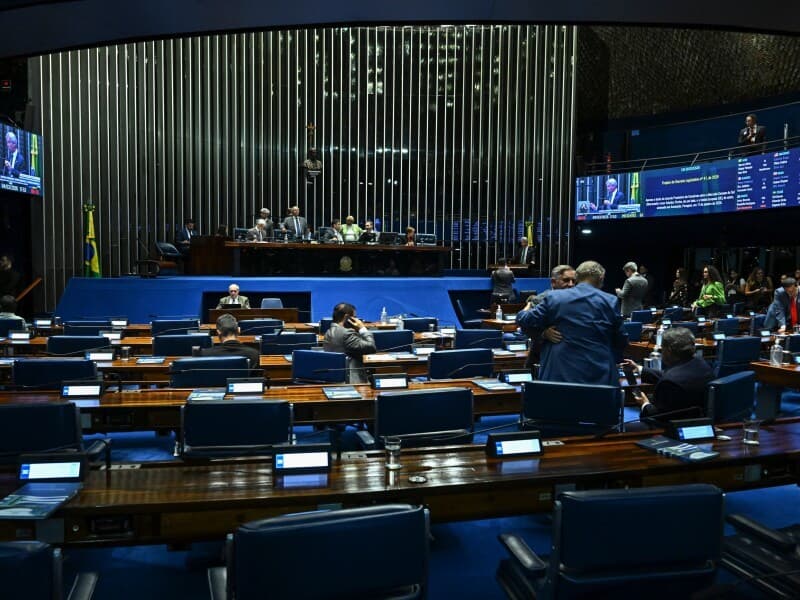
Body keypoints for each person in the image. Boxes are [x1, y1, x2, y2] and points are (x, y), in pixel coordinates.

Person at [516, 260, 626, 386]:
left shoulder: (554, 298)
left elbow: (523, 319)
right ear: (601, 278)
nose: (570, 284)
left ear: (578, 278)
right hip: (599, 373)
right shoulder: (610, 301)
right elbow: (621, 339)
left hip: (559, 372)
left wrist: (526, 307)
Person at [623, 326, 713, 425]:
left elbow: (657, 417)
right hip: (701, 419)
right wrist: (639, 368)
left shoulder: (669, 383)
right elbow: (673, 375)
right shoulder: (700, 363)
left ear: (668, 351)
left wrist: (644, 403)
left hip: (673, 428)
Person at [516, 264, 575, 369]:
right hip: (542, 358)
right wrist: (543, 334)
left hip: (569, 359)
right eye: (566, 280)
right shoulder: (541, 299)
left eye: (573, 281)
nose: (571, 284)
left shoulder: (577, 299)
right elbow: (524, 326)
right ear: (553, 282)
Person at [322, 302, 376, 384]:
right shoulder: (346, 333)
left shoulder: (328, 332)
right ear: (347, 317)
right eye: (354, 317)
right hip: (352, 380)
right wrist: (362, 328)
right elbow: (371, 347)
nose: (356, 320)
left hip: (334, 377)